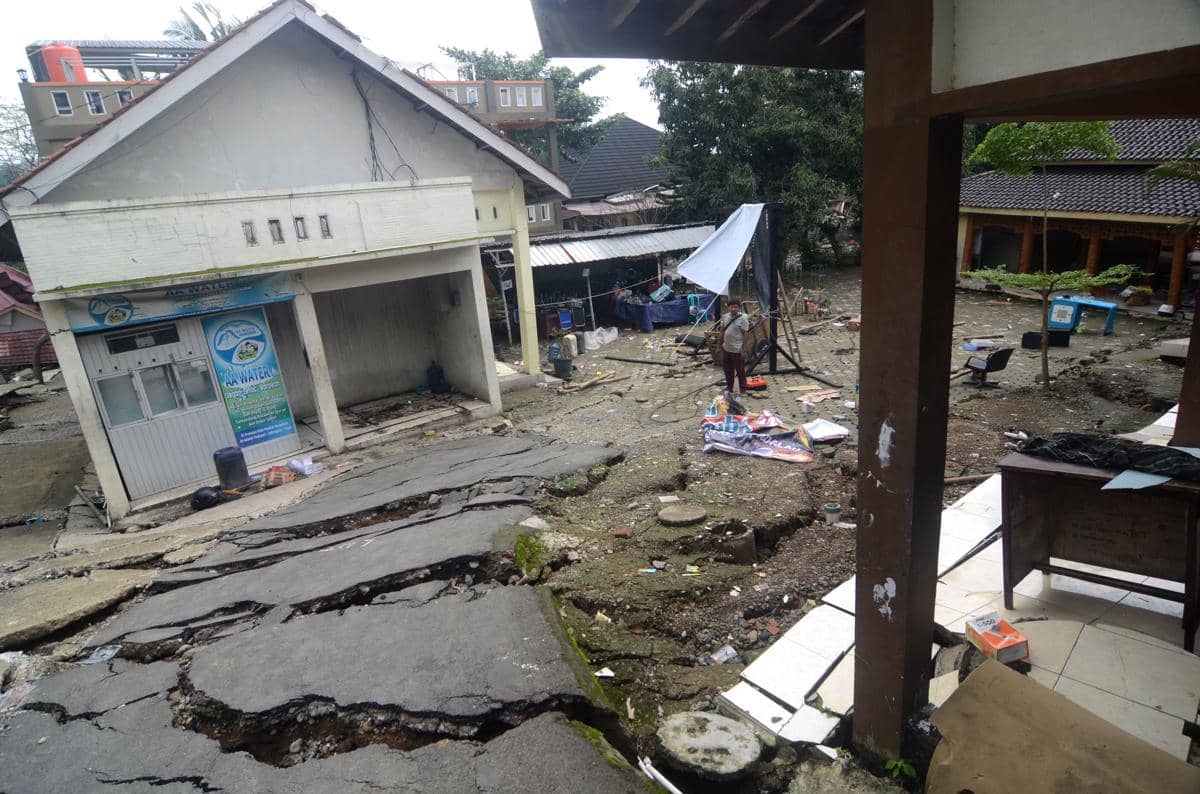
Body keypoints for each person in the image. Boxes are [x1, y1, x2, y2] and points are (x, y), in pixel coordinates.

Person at [719, 298, 751, 395]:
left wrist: (744, 349)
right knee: (728, 370)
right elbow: (722, 332)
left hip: (737, 349)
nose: (733, 309)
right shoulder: (725, 317)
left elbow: (746, 334)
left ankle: (743, 390)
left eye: (735, 307)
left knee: (740, 370)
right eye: (731, 307)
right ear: (728, 307)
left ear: (739, 308)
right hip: (727, 348)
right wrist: (718, 346)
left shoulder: (743, 319)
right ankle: (730, 388)